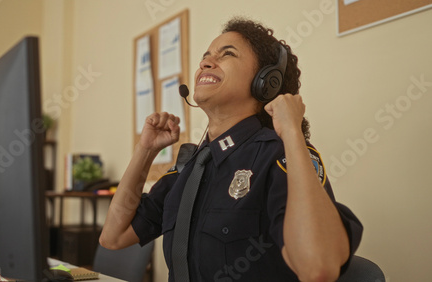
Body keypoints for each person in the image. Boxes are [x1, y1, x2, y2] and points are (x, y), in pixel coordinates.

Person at [100, 17, 363, 282]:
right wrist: (144, 151)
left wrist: (292, 132)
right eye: (206, 56)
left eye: (227, 54)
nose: (206, 62)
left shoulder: (277, 155)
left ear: (266, 81)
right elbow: (114, 236)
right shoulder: (191, 166)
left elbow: (318, 266)